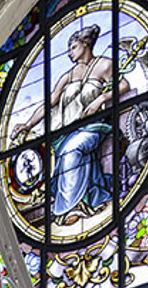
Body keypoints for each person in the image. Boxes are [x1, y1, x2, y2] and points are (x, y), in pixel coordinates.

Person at [11, 24, 127, 222]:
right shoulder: (68, 75)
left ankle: (71, 209)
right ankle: (80, 201)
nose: (69, 52)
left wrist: (100, 99)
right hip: (64, 131)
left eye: (73, 47)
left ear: (85, 43)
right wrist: (28, 125)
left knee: (71, 151)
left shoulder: (104, 65)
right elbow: (50, 102)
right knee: (61, 154)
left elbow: (123, 84)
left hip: (92, 126)